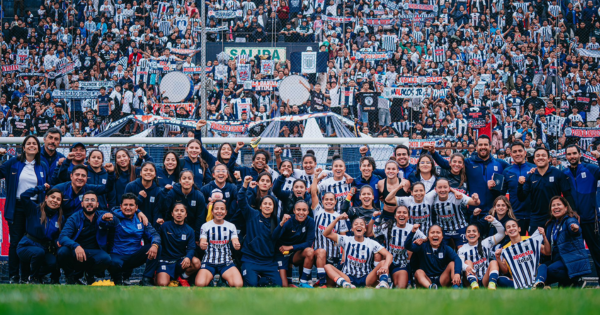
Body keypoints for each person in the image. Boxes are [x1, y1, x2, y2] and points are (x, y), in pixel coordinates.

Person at [0, 135, 49, 284]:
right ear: (24, 146)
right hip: (17, 206)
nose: (32, 145)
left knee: (30, 242)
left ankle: (27, 276)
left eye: (35, 143)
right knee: (15, 242)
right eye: (29, 143)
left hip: (35, 208)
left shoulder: (43, 165)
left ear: (38, 147)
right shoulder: (13, 162)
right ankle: (14, 276)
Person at [426, 135, 509, 215]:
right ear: (476, 147)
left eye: (485, 144)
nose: (483, 147)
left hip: (494, 211)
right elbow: (445, 164)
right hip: (475, 211)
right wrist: (433, 152)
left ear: (490, 147)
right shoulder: (468, 163)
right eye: (480, 145)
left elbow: (513, 172)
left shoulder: (500, 164)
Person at [57, 191, 115, 285]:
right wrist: (76, 246)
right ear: (82, 203)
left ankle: (89, 275)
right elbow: (63, 237)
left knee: (106, 258)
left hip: (94, 252)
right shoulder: (74, 218)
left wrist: (111, 216)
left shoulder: (102, 216)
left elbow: (116, 220)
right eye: (87, 200)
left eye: (93, 200)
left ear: (97, 204)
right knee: (62, 252)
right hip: (76, 252)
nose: (89, 202)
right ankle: (70, 277)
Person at [532, 197, 591, 288]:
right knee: (541, 267)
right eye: (553, 205)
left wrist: (575, 228)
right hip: (557, 260)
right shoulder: (550, 224)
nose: (556, 207)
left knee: (551, 270)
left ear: (566, 208)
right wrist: (543, 236)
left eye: (559, 204)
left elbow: (575, 230)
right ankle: (539, 285)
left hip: (571, 259)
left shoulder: (570, 220)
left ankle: (575, 281)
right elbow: (548, 252)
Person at [323, 213, 394, 288]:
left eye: (362, 224)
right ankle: (345, 284)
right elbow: (326, 233)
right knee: (327, 266)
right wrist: (337, 219)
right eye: (356, 224)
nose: (359, 225)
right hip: (348, 277)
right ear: (352, 229)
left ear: (365, 229)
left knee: (383, 262)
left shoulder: (371, 243)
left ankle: (383, 284)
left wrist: (386, 266)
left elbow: (389, 255)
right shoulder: (346, 239)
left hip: (366, 278)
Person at [517, 147, 575, 234]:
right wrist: (520, 185)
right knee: (537, 246)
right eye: (538, 156)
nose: (540, 157)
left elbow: (567, 195)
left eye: (543, 155)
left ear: (549, 159)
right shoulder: (530, 176)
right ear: (534, 160)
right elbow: (522, 198)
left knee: (555, 245)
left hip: (555, 216)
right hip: (536, 218)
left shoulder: (558, 174)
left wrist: (572, 213)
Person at [108, 193, 161, 286]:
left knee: (157, 247)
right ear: (120, 206)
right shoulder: (114, 218)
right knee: (111, 261)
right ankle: (118, 279)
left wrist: (155, 245)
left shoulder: (142, 220)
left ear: (136, 207)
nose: (128, 207)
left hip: (134, 256)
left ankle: (146, 279)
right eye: (125, 205)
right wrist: (103, 219)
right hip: (117, 255)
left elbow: (154, 234)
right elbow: (102, 222)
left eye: (131, 205)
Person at [238, 176, 282, 287]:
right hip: (250, 259)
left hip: (268, 262)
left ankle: (261, 280)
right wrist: (245, 185)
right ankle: (255, 278)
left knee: (277, 285)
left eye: (270, 204)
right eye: (265, 204)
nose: (267, 206)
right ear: (261, 206)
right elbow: (242, 200)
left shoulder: (276, 221)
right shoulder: (252, 214)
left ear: (274, 207)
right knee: (251, 284)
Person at [369, 206, 427, 289]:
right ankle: (383, 280)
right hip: (387, 262)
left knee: (400, 288)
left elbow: (425, 238)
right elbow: (370, 233)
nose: (402, 214)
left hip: (401, 265)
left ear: (408, 216)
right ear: (395, 216)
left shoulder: (412, 228)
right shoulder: (388, 226)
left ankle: (396, 281)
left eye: (404, 213)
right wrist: (373, 218)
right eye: (399, 212)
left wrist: (421, 240)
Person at [564, 145, 600, 274]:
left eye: (574, 153)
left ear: (580, 154)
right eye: (569, 154)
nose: (572, 156)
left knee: (597, 253)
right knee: (573, 256)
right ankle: (574, 286)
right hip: (572, 221)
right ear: (566, 156)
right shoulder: (564, 173)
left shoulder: (591, 169)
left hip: (591, 219)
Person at [16, 186, 63, 284]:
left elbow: (56, 236)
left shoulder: (60, 217)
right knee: (38, 252)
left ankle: (34, 276)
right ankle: (33, 279)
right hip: (26, 245)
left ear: (60, 203)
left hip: (44, 248)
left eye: (58, 199)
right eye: (52, 197)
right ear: (46, 198)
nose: (55, 201)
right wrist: (40, 188)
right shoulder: (34, 209)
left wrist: (57, 242)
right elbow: (24, 196)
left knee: (53, 262)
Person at [310, 169, 348, 287]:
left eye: (331, 199)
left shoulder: (339, 217)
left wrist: (344, 255)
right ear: (322, 201)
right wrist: (316, 177)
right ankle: (321, 282)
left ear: (335, 202)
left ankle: (320, 284)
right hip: (319, 254)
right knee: (321, 252)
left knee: (331, 286)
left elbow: (344, 238)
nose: (329, 201)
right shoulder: (318, 211)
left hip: (334, 256)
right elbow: (313, 193)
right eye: (326, 199)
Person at [196, 200, 243, 288]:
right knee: (200, 284)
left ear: (226, 212)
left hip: (226, 262)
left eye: (222, 209)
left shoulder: (231, 226)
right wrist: (202, 245)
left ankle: (224, 280)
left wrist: (237, 245)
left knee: (238, 284)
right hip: (209, 262)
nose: (219, 211)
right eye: (216, 209)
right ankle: (213, 279)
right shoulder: (205, 226)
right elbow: (202, 241)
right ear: (212, 211)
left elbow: (235, 241)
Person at [159, 170, 208, 249]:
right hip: (174, 229)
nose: (187, 180)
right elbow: (167, 212)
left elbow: (200, 217)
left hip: (191, 230)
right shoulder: (172, 193)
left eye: (189, 178)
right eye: (184, 178)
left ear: (193, 181)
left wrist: (196, 236)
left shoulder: (199, 196)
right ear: (180, 181)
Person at [272, 201, 316, 288]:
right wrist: (282, 223)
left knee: (310, 251)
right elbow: (274, 237)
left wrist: (291, 247)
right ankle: (290, 284)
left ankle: (303, 282)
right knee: (284, 285)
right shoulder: (288, 221)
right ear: (294, 211)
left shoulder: (310, 221)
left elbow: (309, 243)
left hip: (295, 253)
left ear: (308, 211)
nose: (301, 213)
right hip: (282, 253)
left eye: (304, 210)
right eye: (298, 210)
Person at [495, 220, 549, 289]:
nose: (511, 228)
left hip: (535, 275)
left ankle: (538, 282)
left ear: (519, 229)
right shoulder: (506, 248)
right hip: (519, 280)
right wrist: (498, 257)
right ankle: (534, 288)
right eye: (508, 227)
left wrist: (544, 236)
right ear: (506, 232)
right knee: (500, 279)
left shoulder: (530, 240)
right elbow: (505, 270)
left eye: (514, 226)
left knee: (543, 266)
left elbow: (547, 252)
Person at [404, 224, 463, 289]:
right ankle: (431, 288)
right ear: (428, 236)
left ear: (442, 236)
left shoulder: (446, 248)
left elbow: (457, 259)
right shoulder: (422, 246)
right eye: (432, 232)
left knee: (452, 263)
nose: (435, 235)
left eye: (438, 232)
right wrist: (412, 232)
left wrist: (457, 273)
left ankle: (456, 288)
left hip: (441, 279)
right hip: (427, 280)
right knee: (418, 272)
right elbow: (407, 246)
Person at [156, 203, 201, 287]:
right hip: (166, 261)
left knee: (196, 262)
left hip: (180, 261)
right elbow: (155, 238)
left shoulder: (189, 230)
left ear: (186, 214)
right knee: (162, 284)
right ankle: (157, 275)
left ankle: (182, 278)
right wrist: (157, 224)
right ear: (172, 214)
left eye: (182, 211)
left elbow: (191, 248)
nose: (179, 213)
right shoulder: (164, 226)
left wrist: (188, 257)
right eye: (176, 211)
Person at [430, 179, 481, 249]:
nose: (442, 190)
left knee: (462, 250)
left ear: (449, 188)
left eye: (445, 187)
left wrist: (476, 198)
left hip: (459, 227)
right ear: (435, 189)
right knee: (442, 252)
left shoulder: (457, 196)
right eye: (440, 187)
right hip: (443, 229)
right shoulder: (432, 198)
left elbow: (476, 203)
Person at [458, 216, 505, 290]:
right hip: (470, 280)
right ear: (466, 235)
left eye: (474, 231)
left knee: (493, 262)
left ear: (479, 234)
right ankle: (474, 284)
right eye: (469, 232)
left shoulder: (485, 243)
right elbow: (460, 263)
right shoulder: (462, 249)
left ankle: (492, 284)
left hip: (485, 279)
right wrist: (466, 267)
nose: (471, 233)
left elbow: (501, 233)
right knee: (467, 262)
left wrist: (494, 221)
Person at [501, 141, 535, 235]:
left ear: (525, 152)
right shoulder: (507, 171)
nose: (518, 154)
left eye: (520, 151)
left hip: (533, 215)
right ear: (511, 154)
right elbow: (501, 195)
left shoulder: (534, 169)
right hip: (515, 215)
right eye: (515, 152)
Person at [124, 162, 164, 228]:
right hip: (131, 226)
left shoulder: (158, 191)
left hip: (149, 227)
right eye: (145, 170)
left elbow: (157, 212)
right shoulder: (130, 186)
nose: (148, 172)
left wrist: (154, 229)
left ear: (155, 174)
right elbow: (126, 207)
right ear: (140, 173)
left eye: (151, 170)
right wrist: (139, 199)